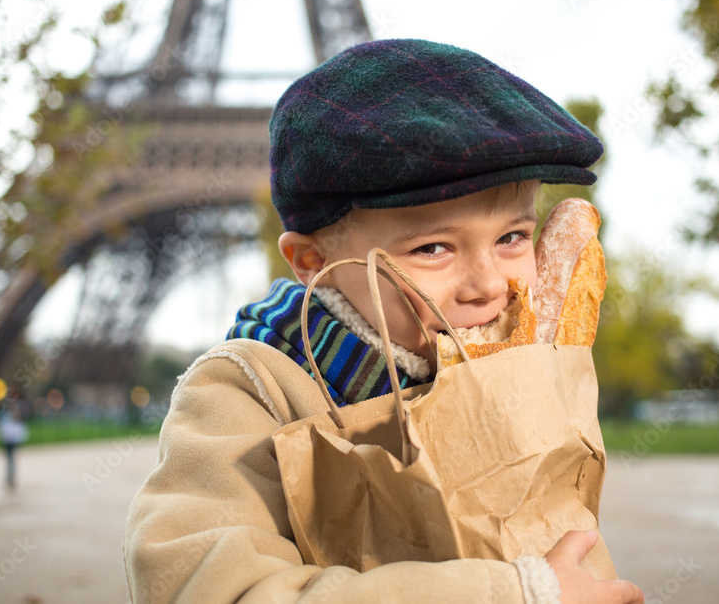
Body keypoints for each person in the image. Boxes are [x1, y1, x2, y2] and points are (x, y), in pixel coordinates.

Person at [124, 39, 644, 604]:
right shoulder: (248, 394)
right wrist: (517, 593)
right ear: (312, 262)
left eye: (513, 237)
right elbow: (208, 589)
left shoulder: (528, 370)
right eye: (432, 249)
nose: (490, 285)